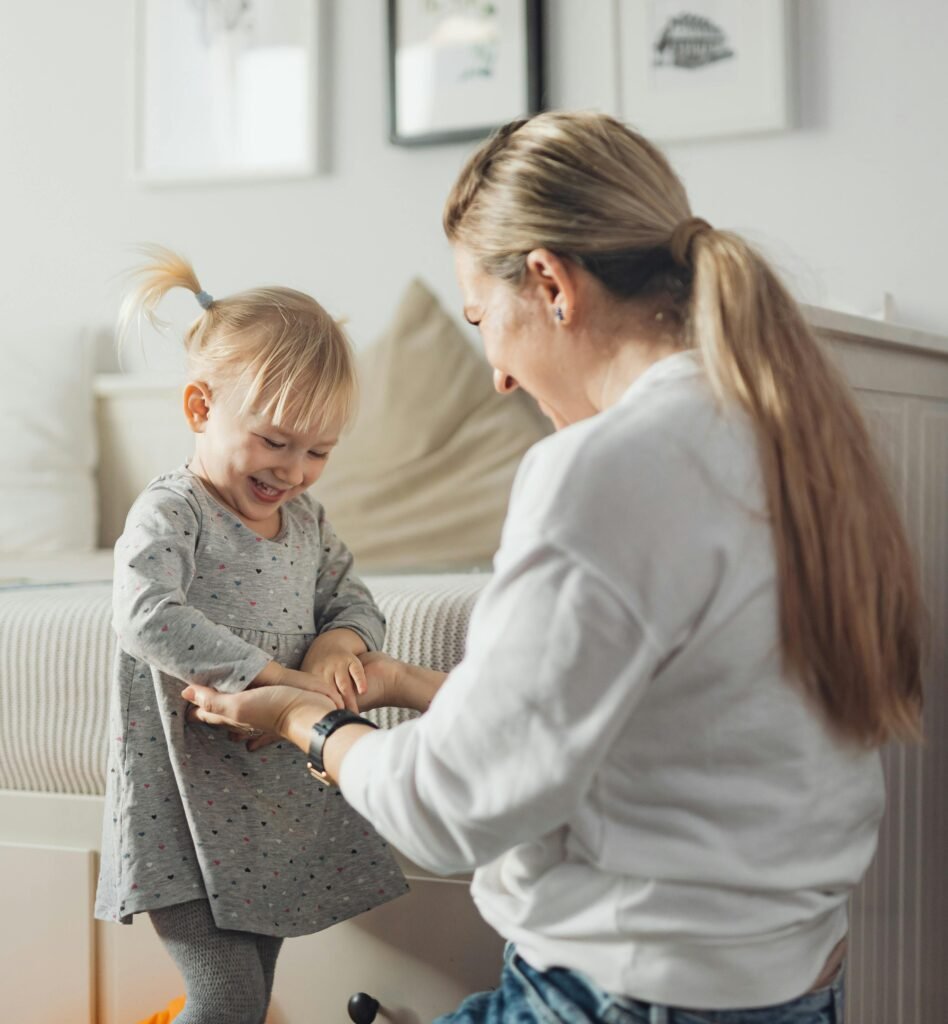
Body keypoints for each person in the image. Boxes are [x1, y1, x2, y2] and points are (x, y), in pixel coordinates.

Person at [182, 112, 923, 1023]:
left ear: (549, 283)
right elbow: (663, 727)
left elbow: (448, 811)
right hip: (791, 986)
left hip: (623, 994)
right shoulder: (786, 432)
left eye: (482, 319)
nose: (496, 374)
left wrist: (307, 719)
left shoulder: (608, 470)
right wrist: (422, 687)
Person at [94, 247, 407, 1024]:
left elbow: (351, 595)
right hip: (184, 809)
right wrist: (275, 674)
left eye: (319, 451)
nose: (295, 470)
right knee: (226, 997)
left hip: (266, 808)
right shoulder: (174, 513)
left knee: (249, 996)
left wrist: (340, 647)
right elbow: (144, 614)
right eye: (275, 442)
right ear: (201, 408)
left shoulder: (305, 521)